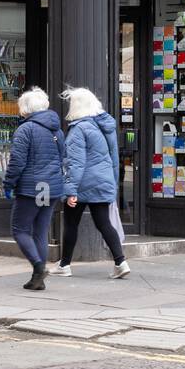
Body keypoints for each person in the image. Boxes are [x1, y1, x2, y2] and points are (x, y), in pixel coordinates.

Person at [54, 87, 130, 279]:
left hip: (82, 184)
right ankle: (120, 261)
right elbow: (113, 157)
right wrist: (112, 184)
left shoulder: (79, 128)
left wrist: (70, 190)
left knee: (71, 223)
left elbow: (75, 163)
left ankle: (64, 265)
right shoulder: (104, 126)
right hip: (103, 181)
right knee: (104, 223)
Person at [2, 87, 67, 291]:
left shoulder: (26, 129)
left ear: (26, 108)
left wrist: (8, 184)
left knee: (20, 229)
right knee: (40, 231)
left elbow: (17, 161)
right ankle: (37, 278)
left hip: (33, 186)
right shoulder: (56, 129)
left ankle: (39, 268)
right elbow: (62, 157)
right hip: (51, 186)